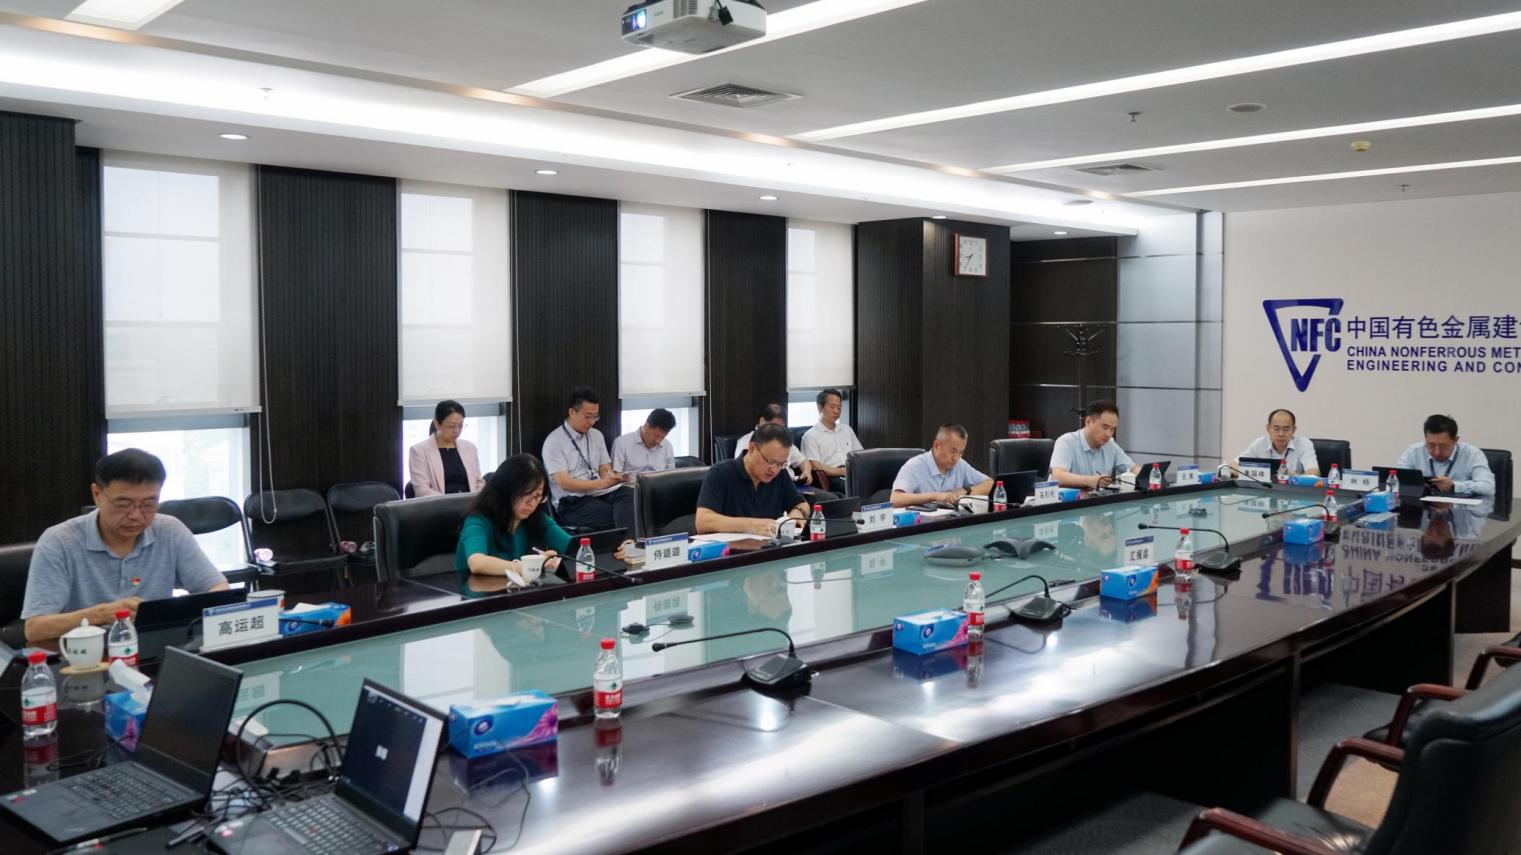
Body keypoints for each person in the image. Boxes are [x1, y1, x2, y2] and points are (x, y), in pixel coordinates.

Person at [21, 449, 228, 642]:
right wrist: (101, 614)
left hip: (154, 648)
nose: (136, 515)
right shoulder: (59, 541)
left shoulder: (170, 531)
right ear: (97, 494)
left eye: (148, 504)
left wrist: (178, 612)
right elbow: (35, 628)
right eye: (123, 504)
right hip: (86, 655)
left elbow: (218, 589)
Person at [455, 455, 570, 581]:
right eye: (526, 495)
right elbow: (477, 563)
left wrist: (555, 562)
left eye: (537, 496)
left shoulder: (537, 519)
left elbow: (575, 548)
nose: (532, 503)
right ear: (506, 491)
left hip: (518, 590)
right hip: (478, 590)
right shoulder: (478, 521)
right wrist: (531, 567)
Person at [542, 386, 636, 532]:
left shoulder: (597, 435)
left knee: (629, 494)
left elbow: (605, 469)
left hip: (598, 493)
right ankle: (630, 543)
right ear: (572, 412)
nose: (592, 421)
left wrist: (613, 478)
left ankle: (629, 543)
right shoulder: (554, 441)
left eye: (595, 416)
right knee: (619, 514)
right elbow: (564, 483)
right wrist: (598, 484)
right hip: (572, 501)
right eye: (587, 416)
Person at [696, 423, 811, 536]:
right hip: (730, 547)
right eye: (771, 462)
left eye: (781, 464)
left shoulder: (781, 474)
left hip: (769, 545)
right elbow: (702, 522)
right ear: (752, 449)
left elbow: (802, 504)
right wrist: (751, 525)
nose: (774, 470)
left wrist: (797, 513)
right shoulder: (720, 473)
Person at [891, 424, 994, 508]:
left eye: (961, 452)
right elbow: (895, 499)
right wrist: (934, 496)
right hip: (922, 524)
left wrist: (964, 492)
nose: (956, 458)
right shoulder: (915, 466)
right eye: (952, 451)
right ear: (936, 445)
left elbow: (990, 483)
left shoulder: (960, 465)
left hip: (951, 522)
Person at [1048, 399, 1139, 490]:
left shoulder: (1110, 444)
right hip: (1066, 498)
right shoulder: (1066, 441)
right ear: (1088, 422)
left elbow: (1133, 468)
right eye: (1105, 427)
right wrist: (1089, 481)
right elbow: (1058, 476)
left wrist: (1145, 475)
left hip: (1096, 498)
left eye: (1112, 429)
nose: (1108, 434)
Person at [1396, 414, 1495, 496]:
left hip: (1461, 510)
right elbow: (1397, 480)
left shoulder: (1472, 454)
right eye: (1431, 445)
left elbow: (1488, 487)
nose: (1437, 452)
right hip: (1424, 508)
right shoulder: (1414, 451)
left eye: (1443, 446)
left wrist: (1454, 485)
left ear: (1456, 440)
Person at [409, 399, 486, 497]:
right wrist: (450, 502)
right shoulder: (419, 451)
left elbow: (479, 482)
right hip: (439, 504)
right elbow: (422, 491)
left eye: (460, 426)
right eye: (451, 426)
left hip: (469, 503)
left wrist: (474, 499)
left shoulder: (470, 448)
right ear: (437, 424)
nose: (456, 431)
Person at [735, 404, 814, 487]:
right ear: (762, 421)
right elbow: (743, 470)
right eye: (774, 426)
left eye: (781, 427)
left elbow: (803, 461)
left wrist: (807, 472)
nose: (777, 431)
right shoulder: (746, 441)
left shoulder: (784, 442)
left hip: (792, 483)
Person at [1237, 408, 1320, 475]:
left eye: (1286, 429)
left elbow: (1314, 473)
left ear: (1294, 430)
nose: (1281, 434)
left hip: (1294, 489)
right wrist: (1260, 474)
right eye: (1276, 429)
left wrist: (1292, 477)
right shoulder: (1260, 444)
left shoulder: (1303, 444)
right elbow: (1234, 466)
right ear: (1268, 428)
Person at [612, 408, 676, 479]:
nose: (658, 441)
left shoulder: (667, 445)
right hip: (630, 484)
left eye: (663, 437)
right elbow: (615, 475)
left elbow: (671, 476)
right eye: (656, 435)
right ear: (646, 426)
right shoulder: (621, 443)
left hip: (659, 484)